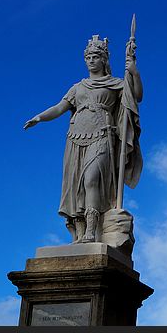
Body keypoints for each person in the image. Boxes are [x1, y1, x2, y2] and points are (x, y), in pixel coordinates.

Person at [24, 35, 142, 244]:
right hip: (76, 138)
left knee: (91, 178)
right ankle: (80, 231)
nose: (91, 60)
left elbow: (136, 96)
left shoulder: (115, 83)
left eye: (96, 56)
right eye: (88, 56)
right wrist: (40, 117)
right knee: (76, 187)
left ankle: (92, 230)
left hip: (103, 135)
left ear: (104, 59)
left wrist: (133, 70)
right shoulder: (77, 87)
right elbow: (59, 107)